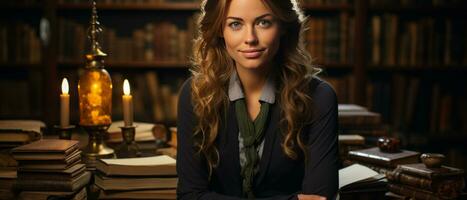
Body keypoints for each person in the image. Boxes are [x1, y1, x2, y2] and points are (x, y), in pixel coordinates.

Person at [176, 0, 338, 199]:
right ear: (220, 30)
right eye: (235, 24)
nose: (250, 38)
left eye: (263, 23)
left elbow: (320, 198)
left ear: (283, 27)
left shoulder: (319, 97)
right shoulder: (195, 95)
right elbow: (189, 196)